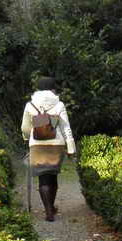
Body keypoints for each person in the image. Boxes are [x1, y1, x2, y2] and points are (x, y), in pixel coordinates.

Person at [21, 76, 76, 221]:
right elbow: (66, 128)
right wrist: (71, 148)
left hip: (37, 144)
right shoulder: (59, 105)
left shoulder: (30, 105)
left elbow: (25, 128)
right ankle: (51, 206)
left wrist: (28, 138)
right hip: (56, 144)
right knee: (52, 176)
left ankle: (48, 211)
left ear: (38, 88)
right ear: (53, 89)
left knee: (43, 179)